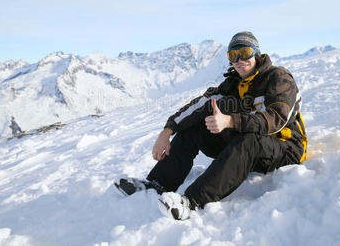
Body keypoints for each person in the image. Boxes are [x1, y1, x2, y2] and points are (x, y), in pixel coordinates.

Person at [115, 31, 308, 220]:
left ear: (256, 53)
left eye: (245, 52)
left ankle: (192, 202)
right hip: (250, 147)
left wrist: (231, 121)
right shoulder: (232, 85)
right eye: (233, 55)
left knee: (248, 139)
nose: (239, 60)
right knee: (194, 129)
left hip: (286, 147)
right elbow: (198, 106)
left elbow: (275, 119)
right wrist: (167, 130)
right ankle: (157, 185)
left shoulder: (278, 78)